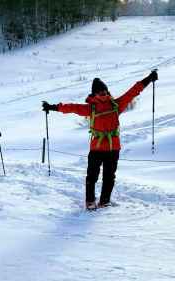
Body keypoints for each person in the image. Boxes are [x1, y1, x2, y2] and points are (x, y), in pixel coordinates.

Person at [42, 71, 158, 210]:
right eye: (101, 91)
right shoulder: (111, 105)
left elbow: (72, 107)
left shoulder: (99, 107)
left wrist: (52, 107)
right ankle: (100, 202)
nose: (103, 93)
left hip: (101, 148)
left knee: (96, 177)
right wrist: (149, 79)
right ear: (100, 93)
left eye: (103, 91)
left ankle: (95, 202)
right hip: (109, 148)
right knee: (103, 177)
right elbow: (132, 92)